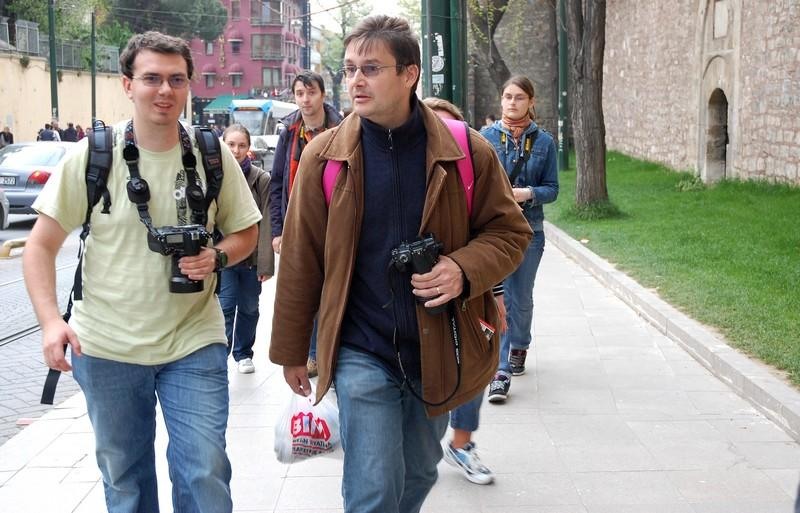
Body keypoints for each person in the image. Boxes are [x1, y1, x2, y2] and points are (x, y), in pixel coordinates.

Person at [269, 15, 531, 513]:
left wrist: (462, 268)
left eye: (371, 68)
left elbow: (510, 232)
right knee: (372, 487)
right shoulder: (326, 157)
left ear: (410, 74)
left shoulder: (465, 150)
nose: (356, 81)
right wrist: (291, 349)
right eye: (350, 69)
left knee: (419, 471)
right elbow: (301, 259)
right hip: (361, 348)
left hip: (437, 346)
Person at [23, 31, 261, 513]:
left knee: (205, 470)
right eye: (152, 78)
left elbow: (246, 231)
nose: (165, 90)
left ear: (189, 85)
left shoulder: (211, 153)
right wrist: (50, 322)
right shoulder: (94, 154)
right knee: (126, 480)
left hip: (193, 338)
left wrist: (216, 257)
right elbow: (40, 246)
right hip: (106, 345)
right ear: (128, 84)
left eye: (177, 79)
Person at [421, 96, 505, 485]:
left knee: (473, 367)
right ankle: (422, 450)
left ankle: (461, 444)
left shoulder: (473, 171)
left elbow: (494, 238)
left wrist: (497, 297)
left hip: (472, 300)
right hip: (422, 307)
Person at [480, 75, 559, 403]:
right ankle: (500, 371)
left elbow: (552, 189)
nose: (512, 102)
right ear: (501, 100)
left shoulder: (544, 142)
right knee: (498, 299)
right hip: (493, 233)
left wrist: (526, 193)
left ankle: (520, 344)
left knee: (520, 298)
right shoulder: (484, 137)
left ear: (531, 102)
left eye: (519, 97)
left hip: (530, 231)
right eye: (508, 96)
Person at [268, 70, 342, 378]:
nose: (305, 99)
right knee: (305, 289)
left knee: (334, 289)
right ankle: (312, 354)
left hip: (335, 221)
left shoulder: (342, 128)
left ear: (322, 95)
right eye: (300, 93)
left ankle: (333, 351)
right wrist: (277, 231)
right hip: (298, 222)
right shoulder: (289, 132)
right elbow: (277, 182)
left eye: (311, 92)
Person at [220, 124, 274, 374]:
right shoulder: (215, 175)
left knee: (250, 308)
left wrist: (265, 263)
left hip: (251, 258)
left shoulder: (260, 179)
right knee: (225, 306)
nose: (236, 150)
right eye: (231, 144)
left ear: (249, 148)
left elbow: (267, 222)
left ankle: (243, 353)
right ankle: (221, 354)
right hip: (225, 256)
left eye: (241, 145)